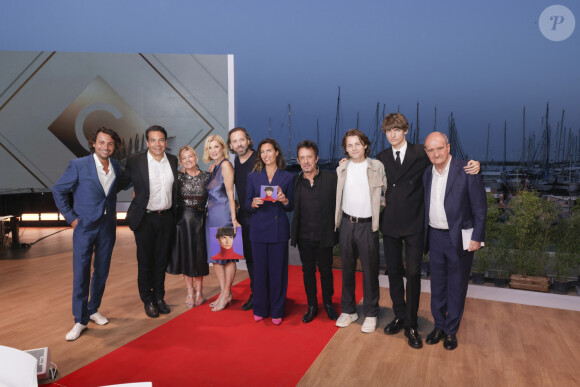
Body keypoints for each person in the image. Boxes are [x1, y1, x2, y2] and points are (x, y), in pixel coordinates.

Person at [376, 112, 480, 348]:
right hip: (391, 222)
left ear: (406, 130)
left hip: (415, 224)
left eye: (396, 129)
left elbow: (447, 161)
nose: (392, 134)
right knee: (393, 273)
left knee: (413, 274)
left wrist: (475, 165)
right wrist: (345, 163)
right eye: (388, 131)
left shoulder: (420, 153)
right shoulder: (381, 157)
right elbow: (367, 172)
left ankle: (411, 324)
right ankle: (400, 315)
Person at [52, 127, 123, 340]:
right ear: (93, 143)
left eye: (110, 144)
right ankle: (80, 320)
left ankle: (93, 309)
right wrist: (71, 218)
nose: (105, 147)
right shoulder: (79, 165)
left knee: (101, 271)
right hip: (84, 226)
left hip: (107, 226)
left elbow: (118, 187)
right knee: (81, 273)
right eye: (101, 142)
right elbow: (58, 190)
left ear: (114, 146)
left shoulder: (116, 166)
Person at [422, 132, 487, 350]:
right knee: (437, 286)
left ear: (448, 147)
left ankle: (451, 331)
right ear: (426, 153)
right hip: (434, 237)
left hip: (460, 238)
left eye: (440, 148)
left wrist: (477, 237)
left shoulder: (467, 170)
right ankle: (439, 326)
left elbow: (480, 208)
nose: (436, 153)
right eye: (431, 150)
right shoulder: (426, 174)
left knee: (457, 287)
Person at [334, 129, 386, 333]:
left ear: (365, 145)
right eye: (349, 145)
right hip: (346, 223)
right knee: (346, 269)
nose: (354, 148)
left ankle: (371, 312)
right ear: (345, 149)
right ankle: (348, 310)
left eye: (357, 144)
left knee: (370, 271)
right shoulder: (342, 168)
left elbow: (388, 192)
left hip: (367, 225)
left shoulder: (377, 166)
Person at [124, 125, 178, 318]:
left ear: (165, 142)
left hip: (166, 218)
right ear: (147, 142)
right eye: (153, 140)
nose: (157, 144)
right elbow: (123, 181)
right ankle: (148, 299)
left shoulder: (172, 160)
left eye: (161, 140)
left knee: (161, 261)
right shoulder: (135, 161)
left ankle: (160, 297)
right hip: (145, 219)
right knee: (145, 261)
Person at [246, 138, 294, 325]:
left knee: (278, 272)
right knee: (259, 272)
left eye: (269, 151)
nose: (266, 155)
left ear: (276, 153)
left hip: (278, 230)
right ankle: (259, 308)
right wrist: (253, 203)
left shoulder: (288, 177)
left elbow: (291, 206)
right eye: (262, 152)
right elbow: (247, 203)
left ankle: (277, 309)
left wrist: (283, 200)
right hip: (258, 229)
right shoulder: (253, 176)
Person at [290, 140, 338, 323]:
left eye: (309, 157)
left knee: (326, 272)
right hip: (304, 237)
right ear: (298, 160)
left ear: (316, 158)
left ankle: (328, 303)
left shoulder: (331, 179)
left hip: (325, 236)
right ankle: (312, 305)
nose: (306, 161)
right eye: (302, 158)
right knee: (307, 272)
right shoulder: (294, 181)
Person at [167, 146, 211, 309]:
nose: (188, 160)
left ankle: (199, 292)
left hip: (200, 221)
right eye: (184, 158)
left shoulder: (207, 176)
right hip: (182, 222)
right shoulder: (177, 177)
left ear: (196, 157)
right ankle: (190, 292)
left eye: (190, 156)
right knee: (187, 257)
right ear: (181, 161)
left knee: (199, 257)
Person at [204, 134, 240, 312]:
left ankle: (226, 293)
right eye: (210, 148)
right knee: (216, 259)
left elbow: (230, 194)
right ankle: (223, 292)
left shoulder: (225, 165)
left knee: (227, 256)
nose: (213, 150)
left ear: (222, 148)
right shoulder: (214, 167)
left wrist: (233, 219)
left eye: (216, 147)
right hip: (212, 216)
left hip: (224, 215)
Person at [228, 127, 257, 311]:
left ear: (248, 140)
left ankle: (267, 294)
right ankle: (256, 293)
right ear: (231, 145)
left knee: (262, 259)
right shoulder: (235, 163)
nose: (239, 144)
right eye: (235, 141)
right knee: (250, 259)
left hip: (261, 217)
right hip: (244, 218)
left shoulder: (260, 159)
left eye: (241, 139)